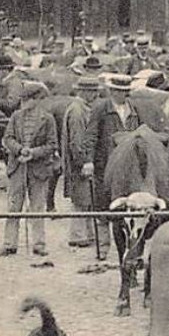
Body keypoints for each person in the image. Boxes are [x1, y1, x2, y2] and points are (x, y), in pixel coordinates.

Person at [0, 81, 59, 259]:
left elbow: (52, 144)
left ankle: (39, 244)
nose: (23, 104)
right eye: (22, 100)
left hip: (38, 170)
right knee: (13, 205)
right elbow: (7, 138)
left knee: (37, 207)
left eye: (27, 100)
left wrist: (33, 153)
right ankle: (10, 244)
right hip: (17, 168)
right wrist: (18, 149)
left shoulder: (47, 119)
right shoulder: (15, 117)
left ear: (36, 100)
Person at [78, 74, 143, 228]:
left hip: (129, 166)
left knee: (127, 204)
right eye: (120, 91)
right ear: (112, 91)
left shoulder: (133, 109)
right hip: (106, 164)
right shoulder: (101, 109)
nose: (124, 94)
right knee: (104, 206)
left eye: (126, 91)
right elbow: (91, 135)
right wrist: (88, 161)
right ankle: (104, 246)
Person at [62, 77, 107, 250]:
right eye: (93, 92)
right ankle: (77, 235)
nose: (95, 95)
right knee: (80, 198)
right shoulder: (78, 112)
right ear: (85, 92)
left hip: (80, 161)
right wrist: (84, 161)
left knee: (87, 197)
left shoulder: (81, 108)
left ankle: (87, 234)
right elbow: (77, 141)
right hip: (79, 162)